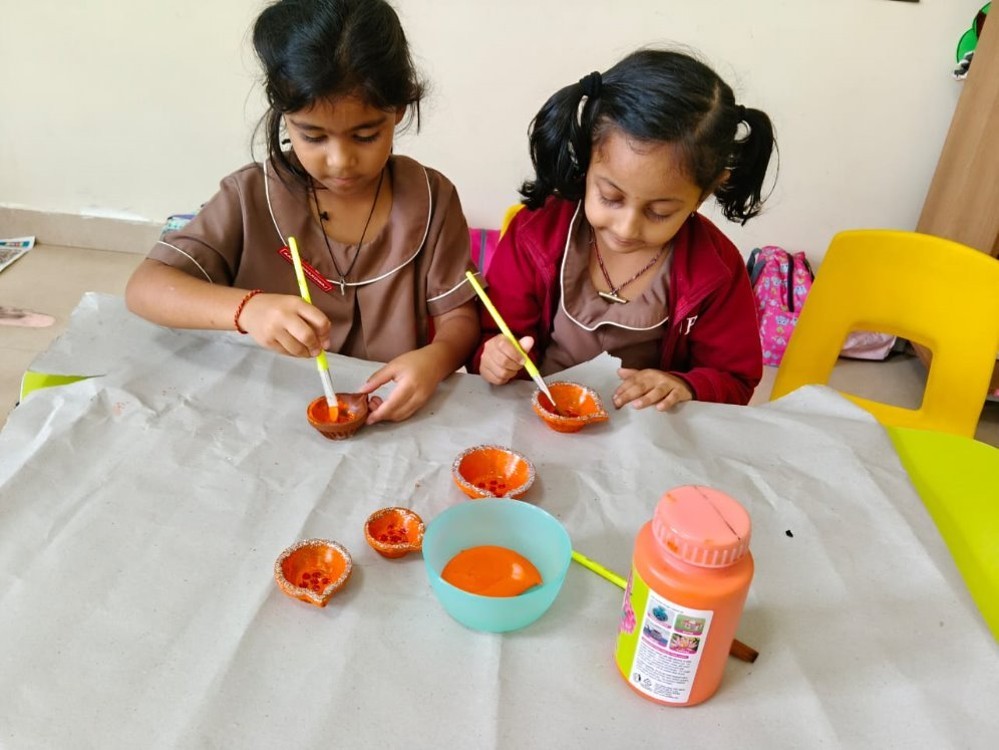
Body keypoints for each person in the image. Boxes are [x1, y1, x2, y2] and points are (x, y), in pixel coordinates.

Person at [126, 0, 479, 424]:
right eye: (313, 136)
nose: (340, 161)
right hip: (258, 414)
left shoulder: (431, 198)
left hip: (388, 416)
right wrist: (248, 310)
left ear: (398, 109)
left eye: (365, 135)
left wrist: (436, 359)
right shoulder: (250, 196)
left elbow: (460, 316)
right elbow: (145, 287)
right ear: (284, 115)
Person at [472, 49, 776, 409]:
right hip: (537, 415)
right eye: (610, 197)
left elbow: (735, 380)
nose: (627, 227)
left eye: (660, 212)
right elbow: (490, 337)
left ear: (705, 192)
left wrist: (686, 386)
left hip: (644, 429)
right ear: (586, 160)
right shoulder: (535, 233)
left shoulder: (715, 270)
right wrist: (493, 358)